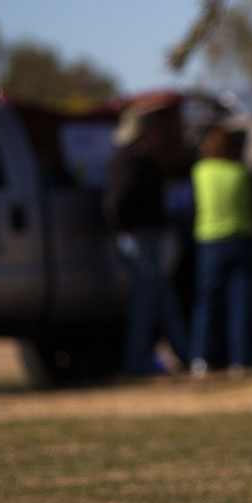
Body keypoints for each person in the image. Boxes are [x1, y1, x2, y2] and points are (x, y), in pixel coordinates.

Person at [103, 102, 190, 377]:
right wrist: (128, 228)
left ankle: (186, 352)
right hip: (141, 241)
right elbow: (116, 204)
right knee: (146, 305)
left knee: (163, 300)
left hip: (149, 239)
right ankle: (136, 361)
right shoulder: (130, 162)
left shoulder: (140, 160)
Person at [189, 124, 252, 379]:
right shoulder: (241, 171)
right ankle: (240, 359)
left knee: (207, 302)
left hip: (210, 240)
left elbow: (192, 205)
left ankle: (201, 358)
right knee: (240, 304)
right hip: (240, 238)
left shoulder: (200, 171)